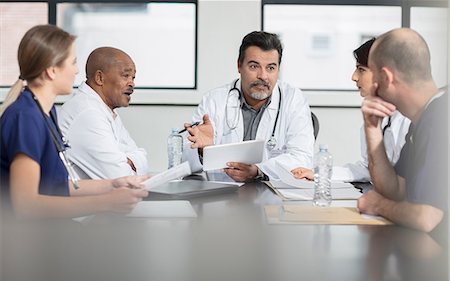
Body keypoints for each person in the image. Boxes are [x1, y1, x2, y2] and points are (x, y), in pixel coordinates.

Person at [0, 25, 148, 218]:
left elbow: (55, 186)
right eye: (73, 63)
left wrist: (113, 184)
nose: (77, 71)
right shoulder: (26, 118)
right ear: (52, 71)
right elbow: (26, 204)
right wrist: (105, 202)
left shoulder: (46, 111)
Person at [182, 31, 314, 182]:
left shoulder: (293, 100)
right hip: (223, 194)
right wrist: (201, 151)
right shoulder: (215, 100)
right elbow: (183, 162)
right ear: (239, 66)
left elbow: (303, 157)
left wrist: (259, 170)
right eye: (254, 66)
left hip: (274, 195)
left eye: (271, 68)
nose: (263, 76)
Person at [357, 28, 448, 232]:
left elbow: (427, 217)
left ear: (386, 77)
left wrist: (378, 205)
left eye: (370, 72)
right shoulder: (420, 120)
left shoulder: (441, 118)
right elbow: (396, 190)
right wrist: (372, 129)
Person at [59, 47, 148, 179]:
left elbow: (143, 158)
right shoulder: (88, 112)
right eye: (125, 76)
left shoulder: (104, 109)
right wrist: (127, 161)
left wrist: (127, 161)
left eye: (133, 77)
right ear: (100, 78)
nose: (132, 83)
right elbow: (121, 178)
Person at [330, 38, 410, 182]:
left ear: (384, 74)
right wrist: (321, 174)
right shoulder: (378, 114)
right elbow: (369, 168)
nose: (354, 77)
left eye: (361, 70)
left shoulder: (407, 119)